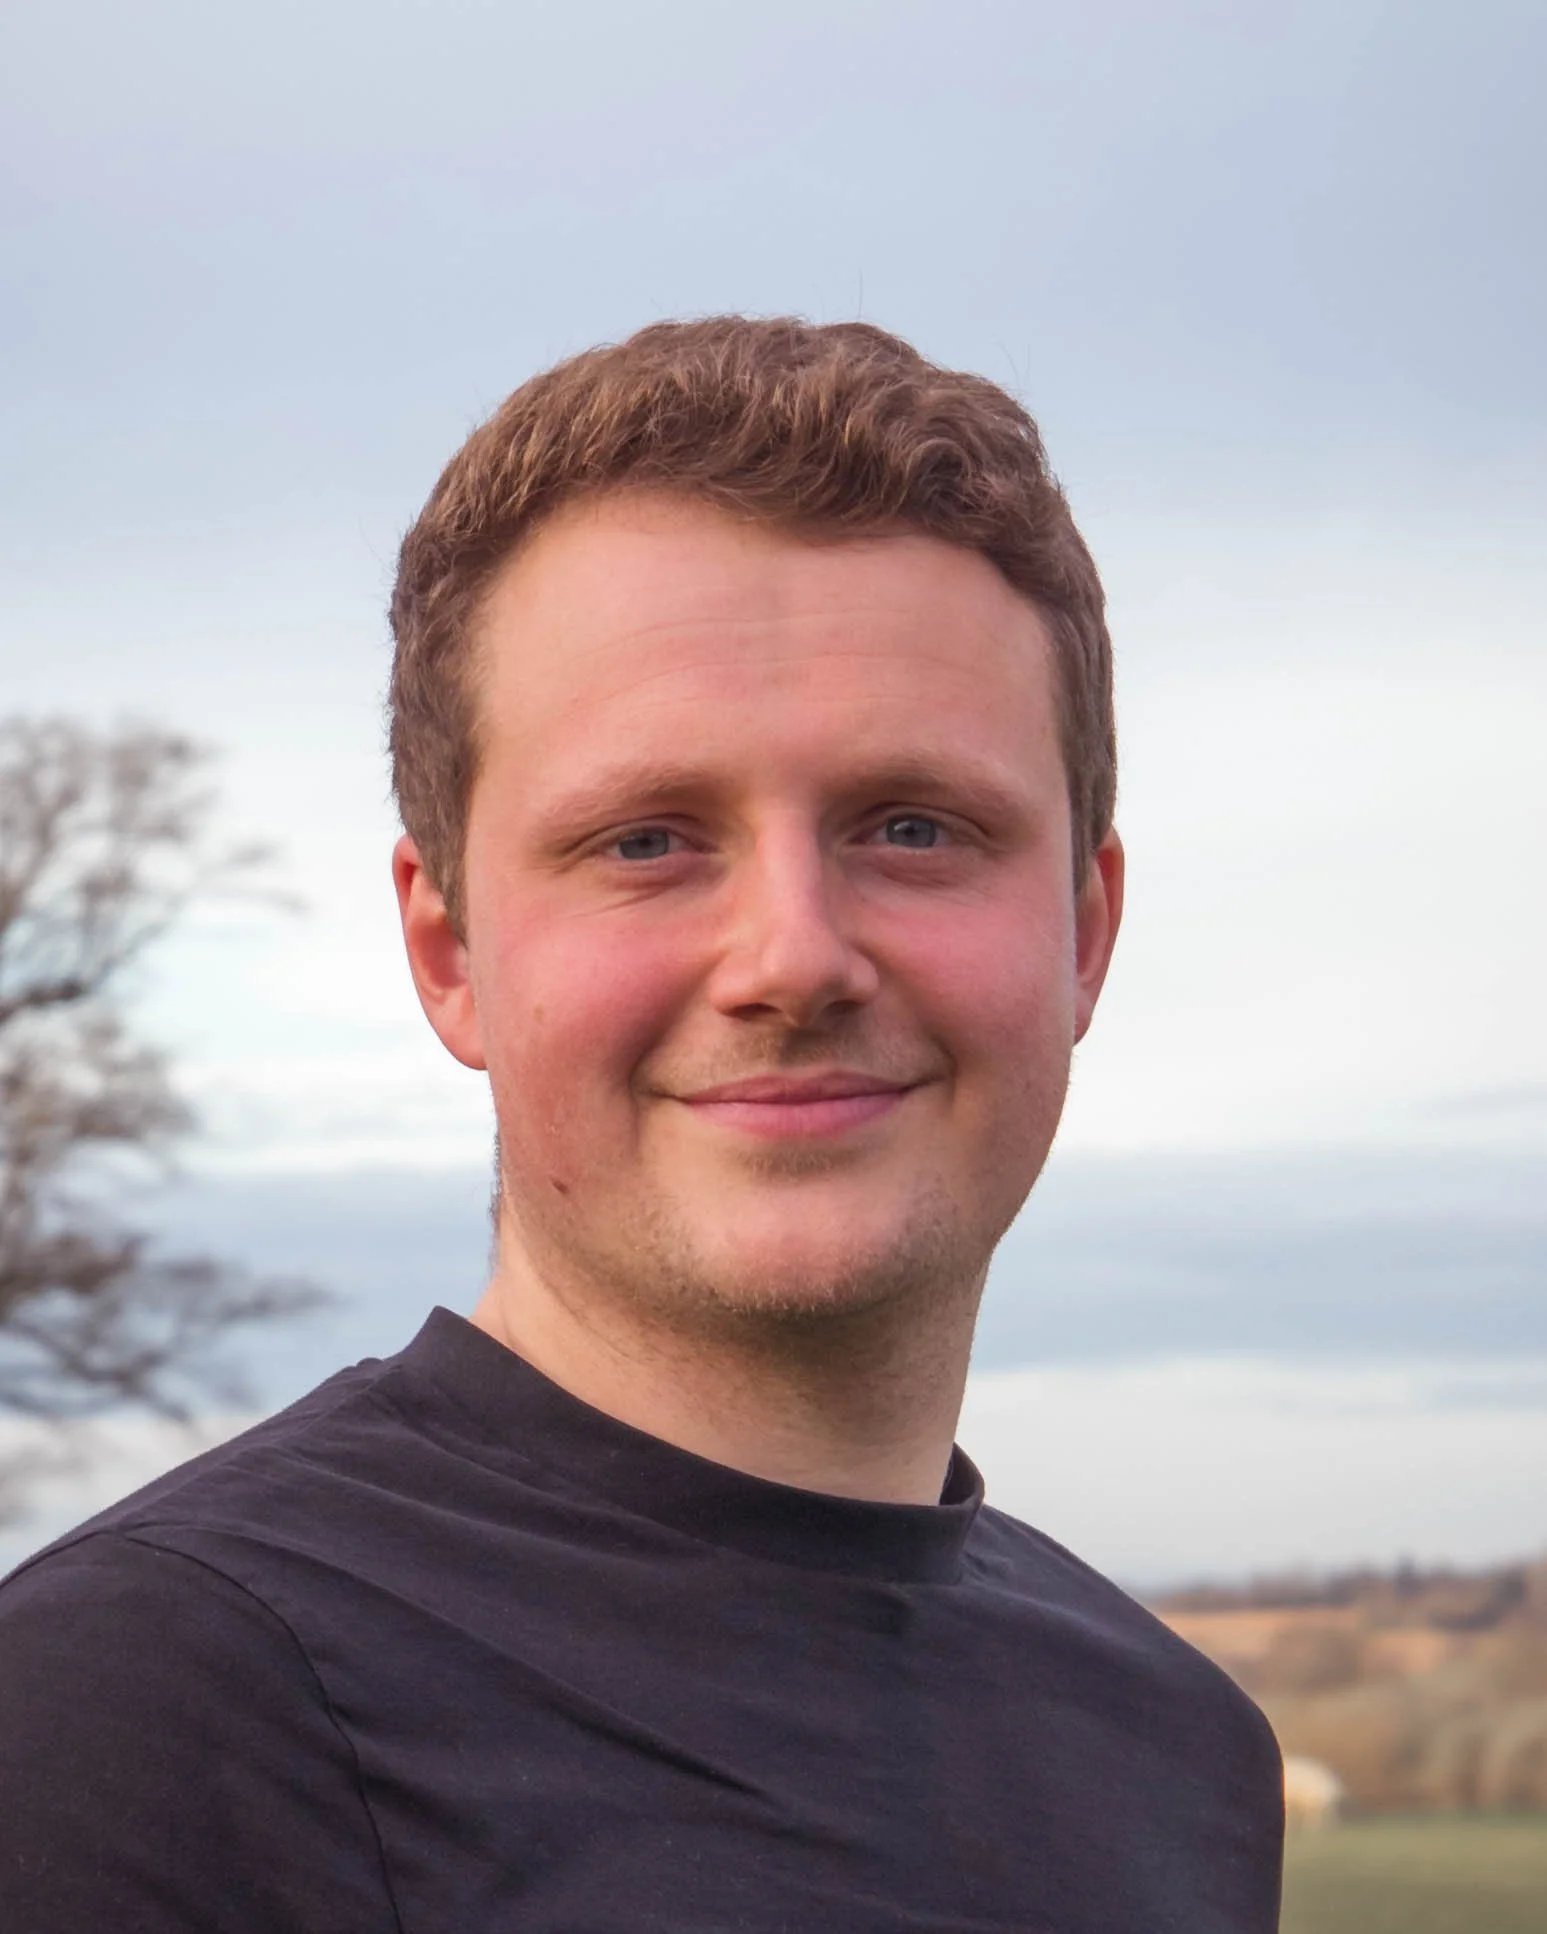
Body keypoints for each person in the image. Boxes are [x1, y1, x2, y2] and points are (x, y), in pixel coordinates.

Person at [0, 317, 1284, 1930]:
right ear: (450, 950)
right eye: (647, 841)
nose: (794, 956)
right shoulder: (143, 1723)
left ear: (1082, 931)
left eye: (913, 825)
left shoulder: (1174, 1756)